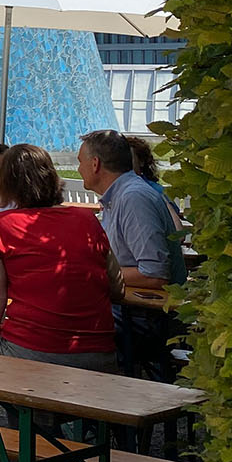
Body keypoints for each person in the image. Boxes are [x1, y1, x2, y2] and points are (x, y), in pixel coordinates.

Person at [0, 144, 121, 448]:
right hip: (99, 355)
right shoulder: (86, 220)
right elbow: (114, 283)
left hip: (36, 354)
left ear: (7, 182)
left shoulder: (1, 226)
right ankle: (35, 439)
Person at [81, 129, 189, 379]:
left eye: (80, 162)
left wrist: (93, 274)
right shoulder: (120, 196)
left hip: (144, 321)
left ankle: (55, 407)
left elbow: (154, 275)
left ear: (95, 164)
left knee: (53, 333)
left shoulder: (133, 197)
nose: (78, 169)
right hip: (129, 312)